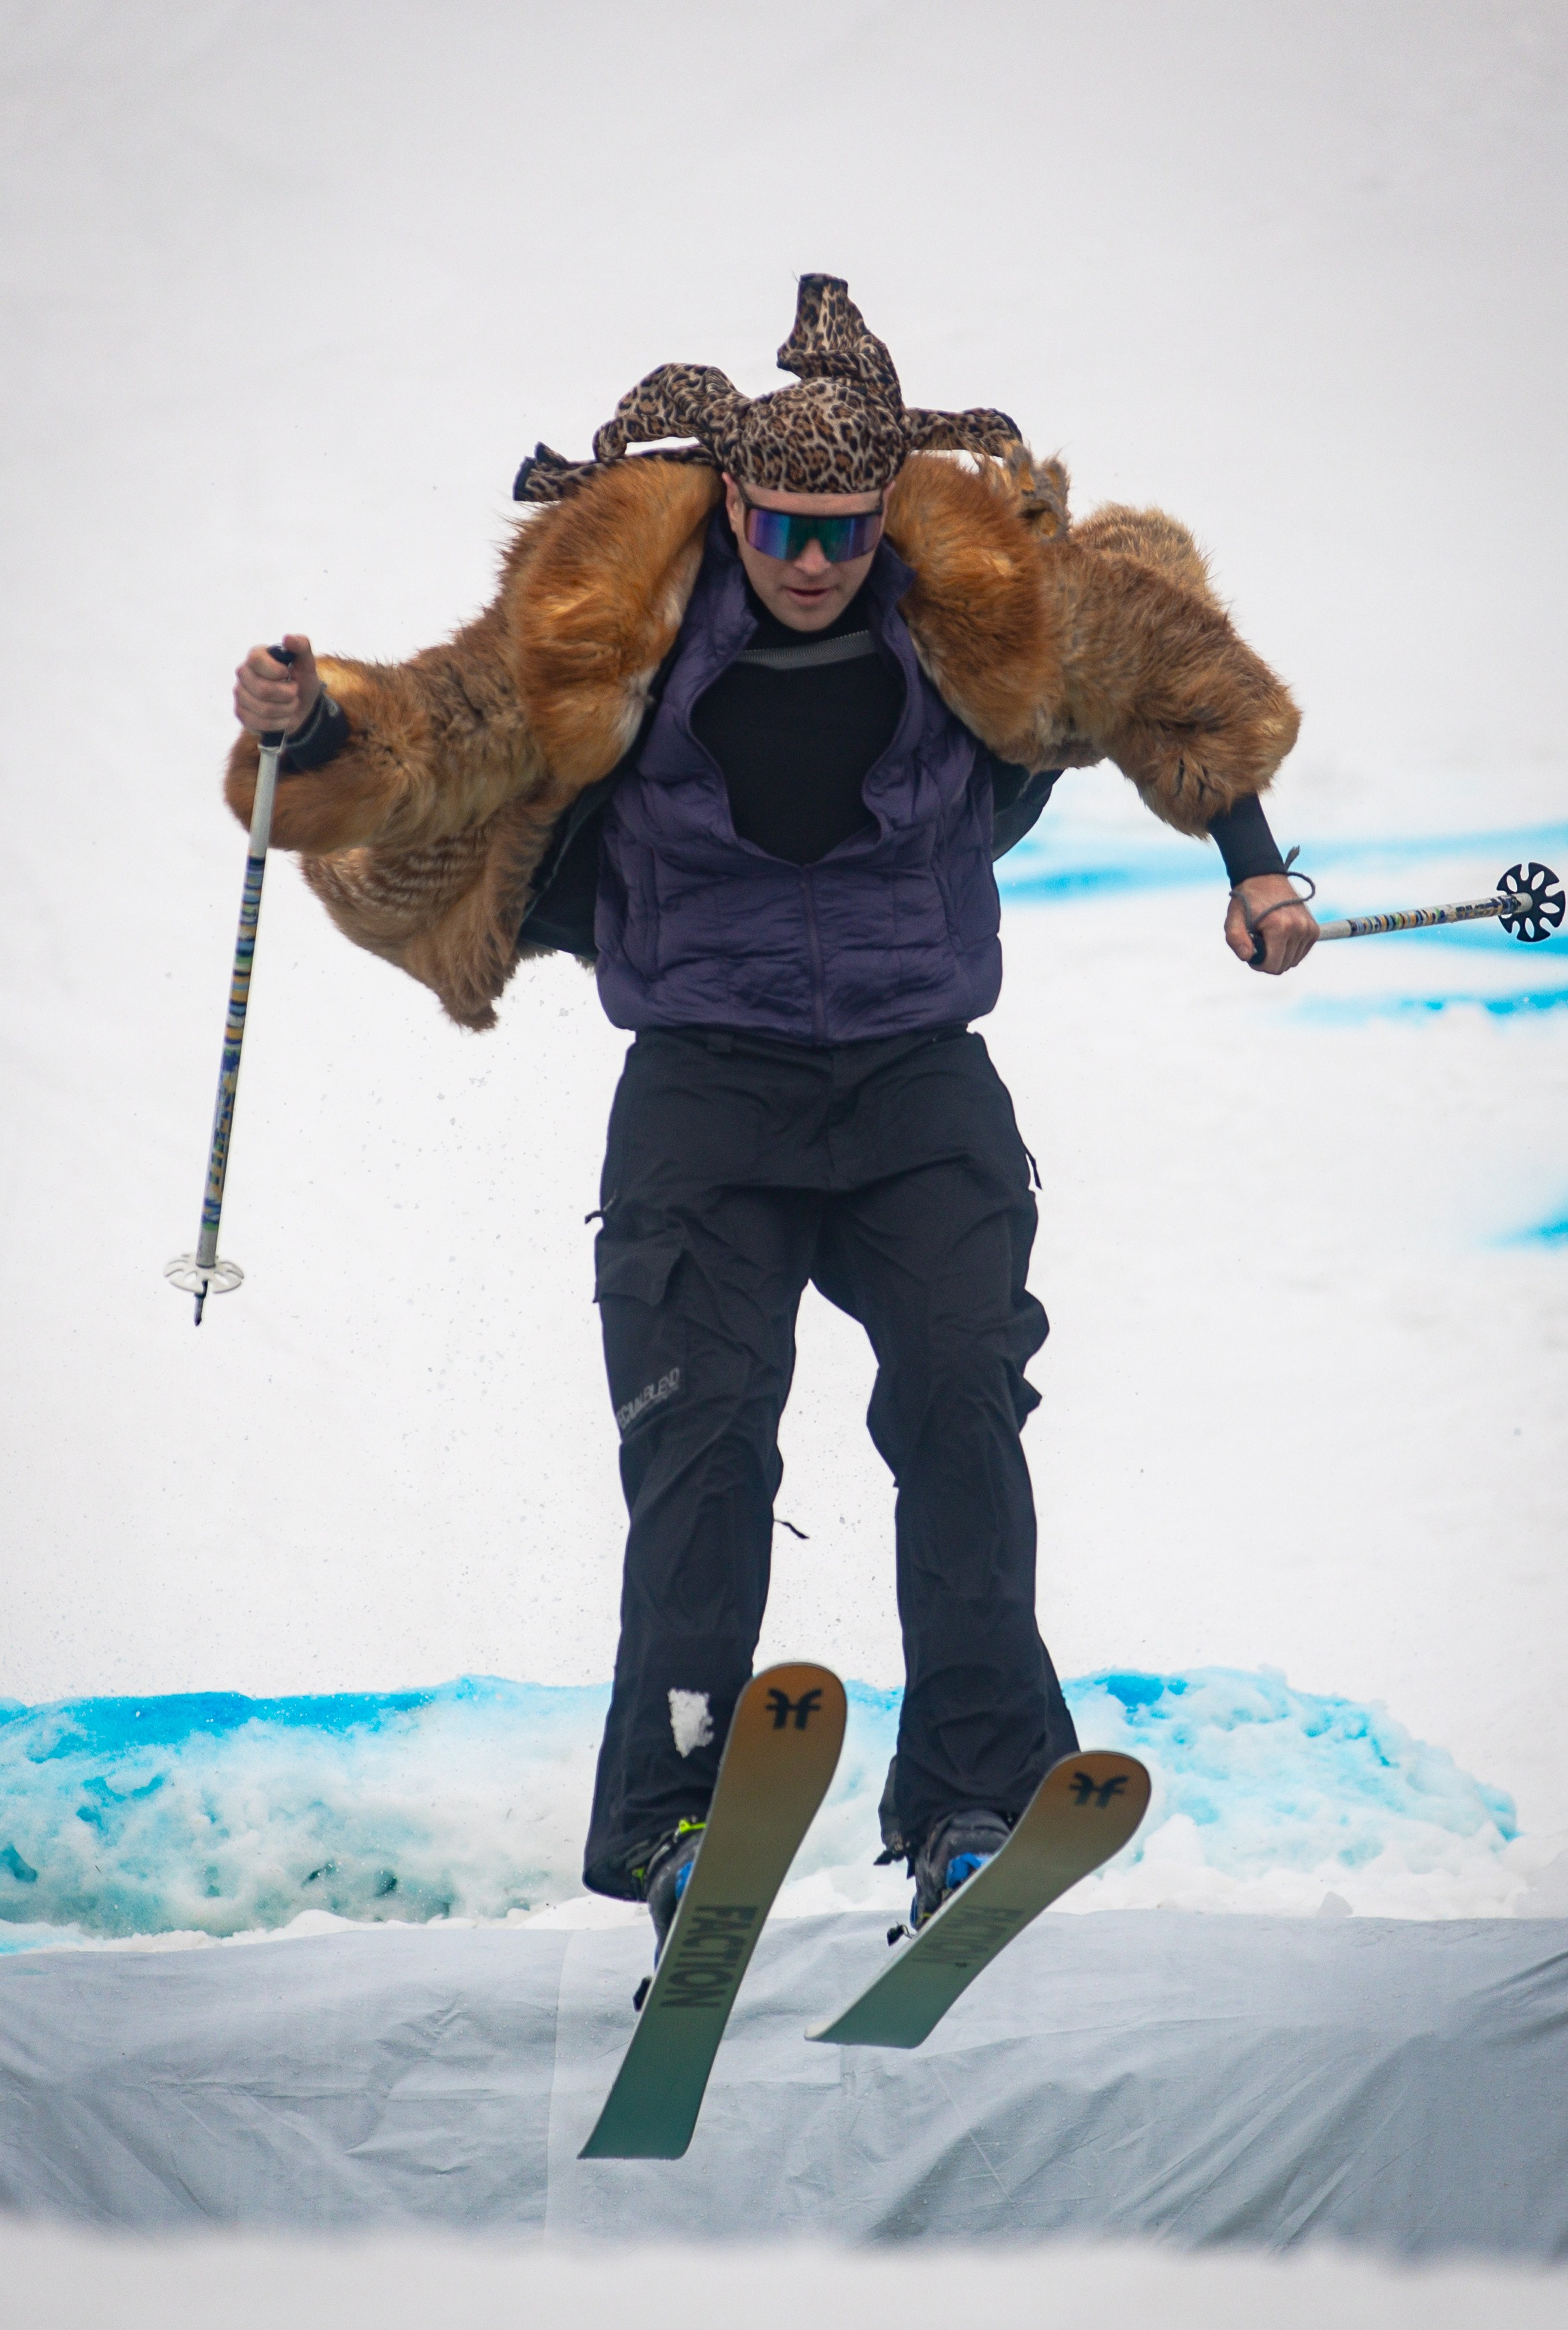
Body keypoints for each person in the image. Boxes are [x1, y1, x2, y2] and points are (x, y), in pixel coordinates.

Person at [227, 275, 1314, 1946]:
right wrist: (310, 726)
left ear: (885, 513)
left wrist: (1255, 875)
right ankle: (673, 1817)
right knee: (702, 1442)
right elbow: (437, 728)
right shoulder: (618, 626)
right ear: (731, 504)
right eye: (783, 531)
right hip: (704, 1096)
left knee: (959, 1404)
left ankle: (972, 1801)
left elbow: (1170, 684)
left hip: (915, 1081)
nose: (812, 563)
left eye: (845, 533)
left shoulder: (981, 608)